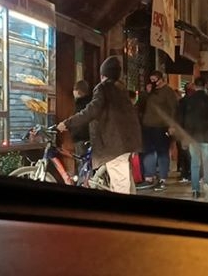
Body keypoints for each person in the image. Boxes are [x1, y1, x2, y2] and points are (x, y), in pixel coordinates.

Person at [57, 56, 142, 194]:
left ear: (103, 74)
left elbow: (91, 111)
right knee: (123, 179)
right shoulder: (121, 89)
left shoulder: (103, 88)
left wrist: (67, 123)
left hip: (114, 143)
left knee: (120, 183)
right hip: (128, 141)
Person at [176, 77, 208, 199]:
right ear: (205, 85)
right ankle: (207, 185)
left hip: (191, 137)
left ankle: (195, 190)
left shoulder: (186, 100)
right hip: (206, 136)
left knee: (194, 163)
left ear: (194, 86)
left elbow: (181, 120)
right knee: (207, 163)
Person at [140, 70, 178, 191]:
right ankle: (149, 177)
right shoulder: (149, 92)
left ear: (161, 79)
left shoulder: (168, 92)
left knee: (162, 152)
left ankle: (162, 178)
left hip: (161, 127)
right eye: (151, 80)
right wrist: (146, 93)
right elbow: (140, 105)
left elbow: (174, 109)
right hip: (147, 126)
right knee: (148, 152)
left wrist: (172, 125)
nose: (153, 82)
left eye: (155, 80)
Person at [70, 80, 92, 157]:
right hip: (87, 137)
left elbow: (79, 120)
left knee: (82, 160)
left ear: (78, 91)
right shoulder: (90, 103)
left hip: (81, 138)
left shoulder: (81, 104)